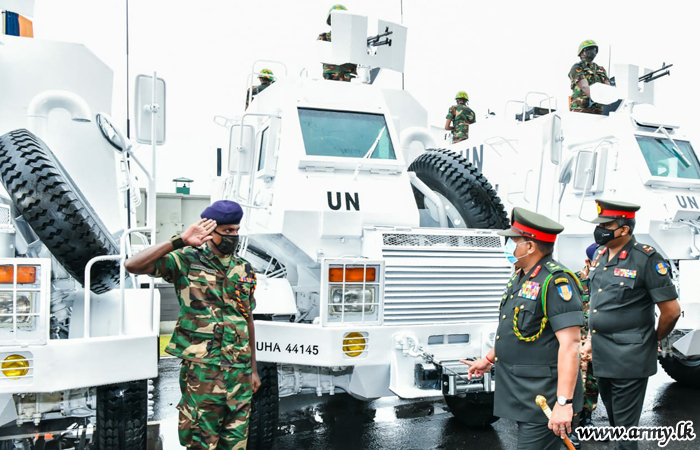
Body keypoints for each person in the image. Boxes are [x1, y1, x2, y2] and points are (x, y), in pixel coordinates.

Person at [125, 200, 261, 450]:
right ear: (210, 231)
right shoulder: (185, 260)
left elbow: (247, 318)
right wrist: (179, 241)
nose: (233, 236)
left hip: (240, 372)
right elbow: (133, 265)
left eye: (236, 230)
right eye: (227, 231)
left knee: (236, 443)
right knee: (201, 442)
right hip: (204, 372)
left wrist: (253, 369)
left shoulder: (245, 268)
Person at [465, 207, 584, 450]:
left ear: (530, 247)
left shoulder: (555, 280)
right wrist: (488, 359)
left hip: (545, 399)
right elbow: (514, 329)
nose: (508, 246)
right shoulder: (522, 276)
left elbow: (570, 345)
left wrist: (563, 403)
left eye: (513, 241)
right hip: (523, 392)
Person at [583, 199, 681, 450]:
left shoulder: (646, 259)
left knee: (625, 433)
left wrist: (653, 338)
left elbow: (671, 311)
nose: (600, 229)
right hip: (602, 356)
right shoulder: (601, 254)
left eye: (606, 225)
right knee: (617, 424)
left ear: (624, 229)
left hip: (629, 357)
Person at [568, 40, 610, 114]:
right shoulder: (578, 67)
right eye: (590, 49)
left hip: (597, 110)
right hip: (581, 109)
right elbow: (584, 86)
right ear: (582, 52)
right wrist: (597, 98)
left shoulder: (600, 69)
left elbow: (607, 87)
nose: (593, 51)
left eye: (594, 49)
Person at [317, 4, 358, 82]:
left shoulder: (354, 38)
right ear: (330, 21)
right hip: (331, 80)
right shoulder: (324, 37)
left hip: (350, 81)